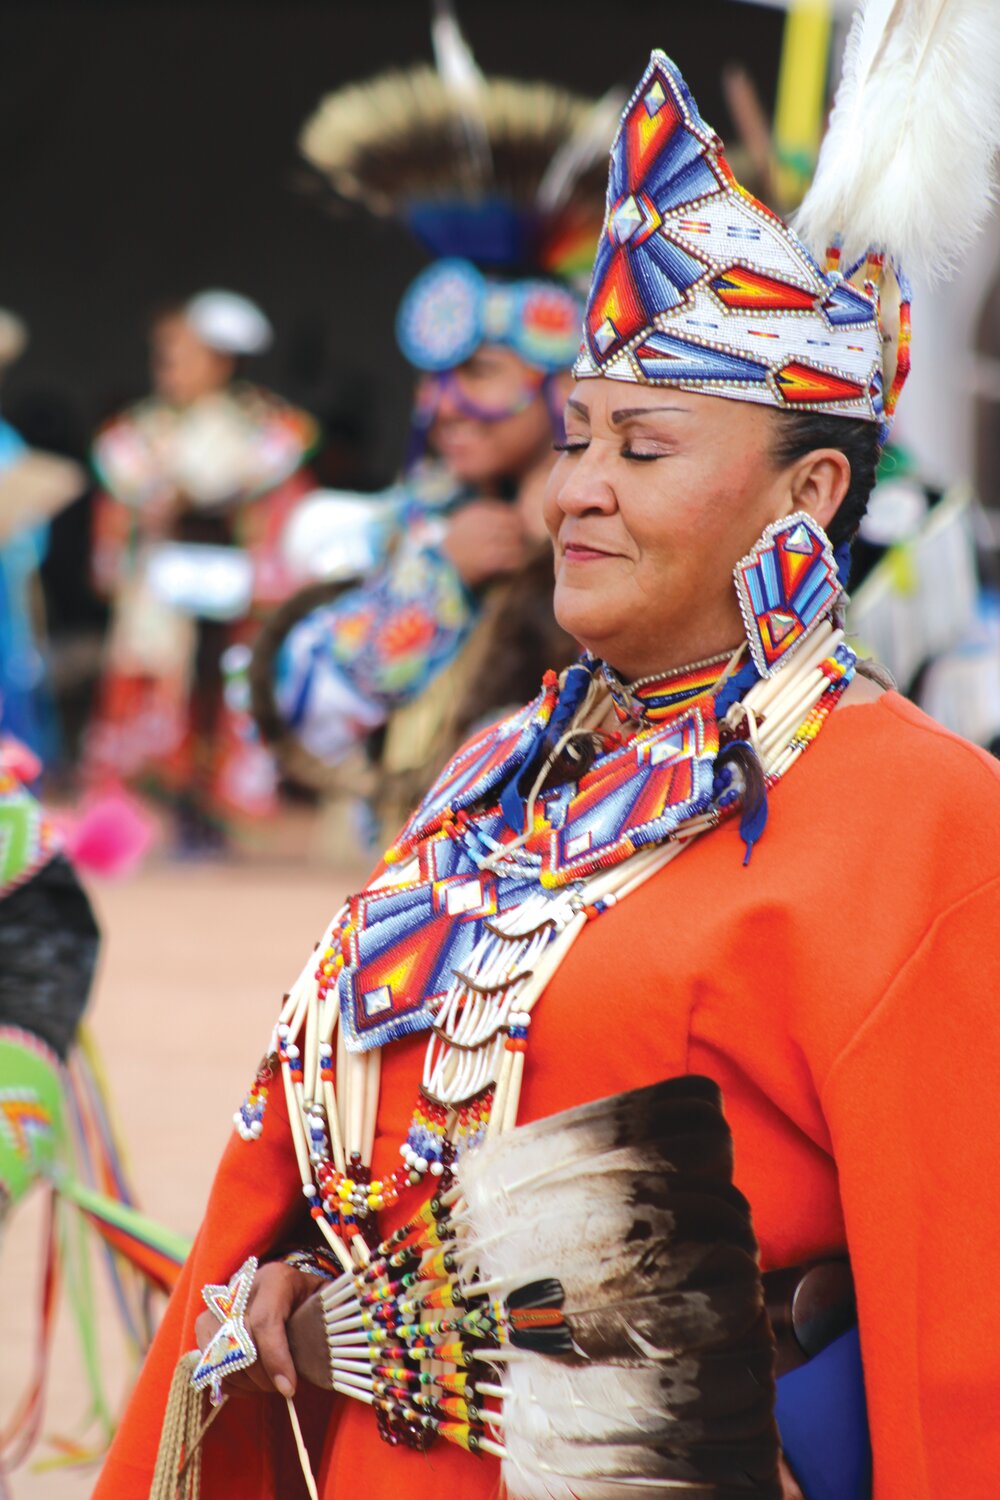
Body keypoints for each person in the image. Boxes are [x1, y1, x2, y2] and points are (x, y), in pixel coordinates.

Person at [95, 20, 1000, 1500]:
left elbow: (966, 1330)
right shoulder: (495, 772)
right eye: (576, 438)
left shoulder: (919, 818)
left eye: (641, 449)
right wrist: (293, 1280)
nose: (575, 487)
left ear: (812, 488)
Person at [250, 45, 610, 805]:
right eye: (432, 376)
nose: (442, 404)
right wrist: (440, 579)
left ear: (563, 382)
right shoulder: (414, 520)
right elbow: (292, 709)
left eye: (477, 374)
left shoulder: (628, 520)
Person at [85, 290, 317, 847]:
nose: (167, 368)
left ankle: (215, 810)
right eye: (163, 355)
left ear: (220, 359)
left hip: (235, 583)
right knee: (161, 681)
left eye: (181, 354)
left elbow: (275, 496)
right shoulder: (137, 431)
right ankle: (160, 807)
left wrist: (209, 498)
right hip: (162, 589)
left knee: (224, 683)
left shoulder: (264, 425)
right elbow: (122, 503)